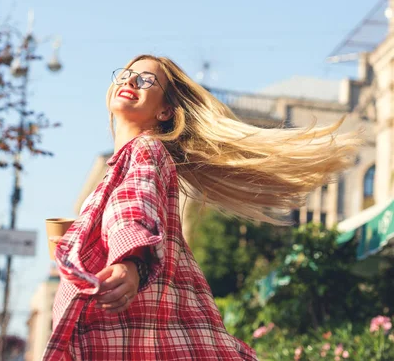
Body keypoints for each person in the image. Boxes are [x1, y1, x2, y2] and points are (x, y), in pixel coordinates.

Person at [43, 54, 359, 360]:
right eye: (125, 75)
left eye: (146, 79)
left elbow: (135, 208)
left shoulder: (145, 150)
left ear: (166, 110)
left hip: (127, 337)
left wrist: (132, 262)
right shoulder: (115, 169)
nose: (132, 81)